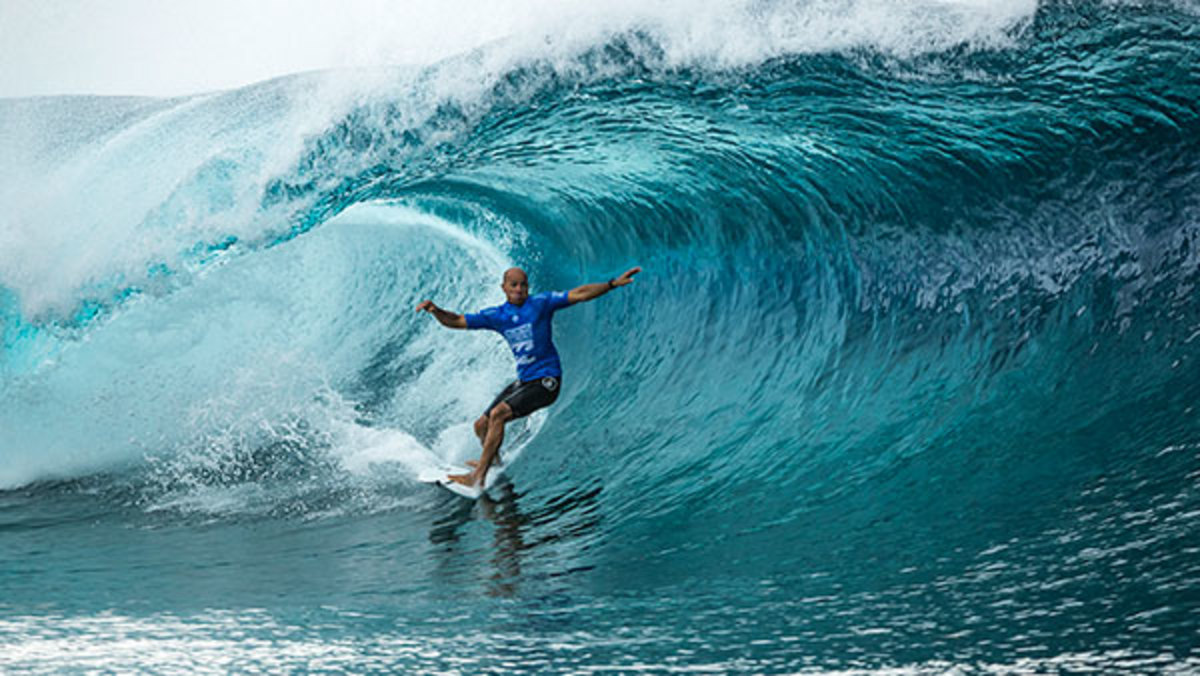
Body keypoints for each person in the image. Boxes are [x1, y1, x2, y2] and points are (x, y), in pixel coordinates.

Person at [415, 265, 641, 487]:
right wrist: (436, 310)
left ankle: (478, 477)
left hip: (547, 381)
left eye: (523, 285)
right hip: (525, 381)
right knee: (480, 426)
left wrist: (611, 284)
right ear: (503, 287)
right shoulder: (497, 316)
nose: (519, 289)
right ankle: (493, 465)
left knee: (498, 414)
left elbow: (580, 294)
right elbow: (456, 321)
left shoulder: (541, 304)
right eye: (513, 284)